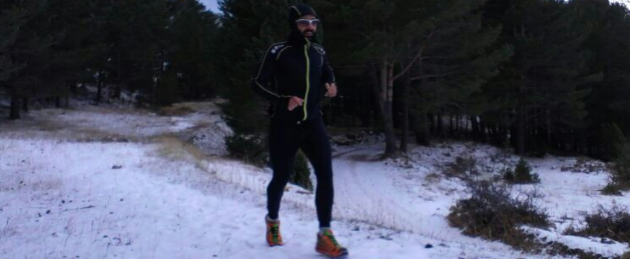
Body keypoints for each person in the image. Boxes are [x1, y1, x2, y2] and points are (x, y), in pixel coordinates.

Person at [250, 3, 348, 258]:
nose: (310, 27)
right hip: (284, 124)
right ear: (294, 24)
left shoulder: (318, 50)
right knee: (281, 176)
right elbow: (257, 84)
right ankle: (272, 222)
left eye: (314, 23)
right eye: (305, 22)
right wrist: (284, 100)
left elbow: (327, 73)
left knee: (325, 175)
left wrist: (331, 86)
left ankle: (324, 235)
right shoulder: (278, 51)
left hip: (313, 123)